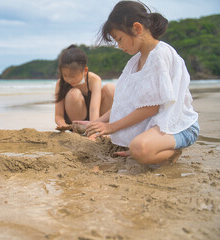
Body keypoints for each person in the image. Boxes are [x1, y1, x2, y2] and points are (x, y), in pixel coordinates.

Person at [85, 1, 199, 165]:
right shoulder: (134, 61)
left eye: (120, 39)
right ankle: (154, 147)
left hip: (180, 126)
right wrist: (98, 122)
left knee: (138, 149)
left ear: (137, 29)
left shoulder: (159, 55)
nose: (119, 46)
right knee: (131, 145)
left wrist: (111, 127)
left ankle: (172, 152)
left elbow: (151, 107)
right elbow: (124, 103)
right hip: (159, 124)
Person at [55, 45, 115, 135]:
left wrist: (93, 132)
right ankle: (79, 132)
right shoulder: (60, 83)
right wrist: (62, 125)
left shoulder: (94, 79)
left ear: (85, 70)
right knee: (73, 93)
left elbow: (94, 109)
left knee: (110, 88)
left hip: (96, 120)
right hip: (77, 124)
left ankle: (103, 130)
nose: (69, 80)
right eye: (65, 76)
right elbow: (58, 115)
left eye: (73, 76)